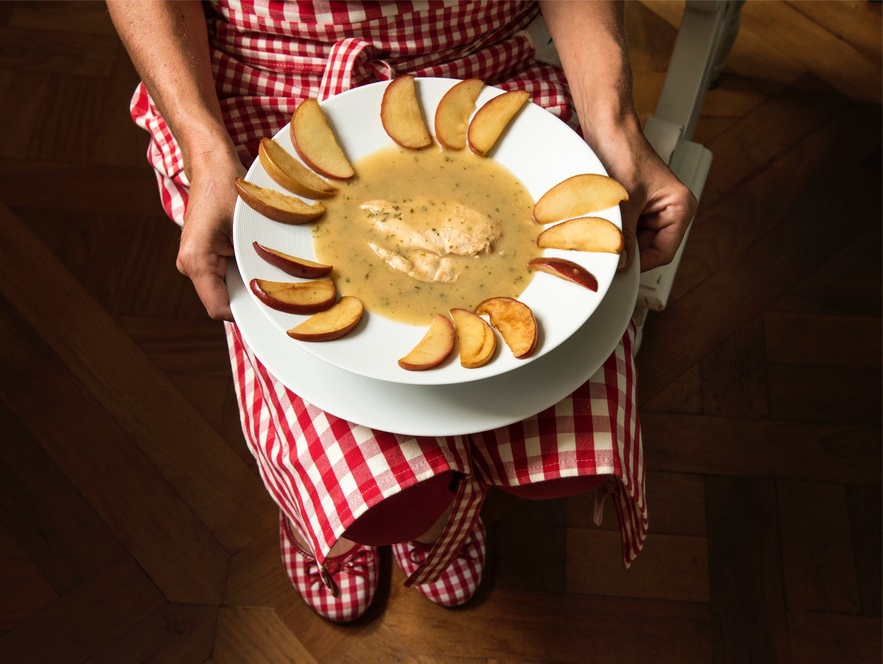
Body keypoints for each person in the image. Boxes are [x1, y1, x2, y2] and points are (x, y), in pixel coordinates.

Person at [107, 0, 696, 622]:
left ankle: (439, 505)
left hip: (486, 79)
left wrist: (616, 125)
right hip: (258, 92)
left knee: (565, 460)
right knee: (382, 503)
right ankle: (355, 518)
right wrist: (203, 148)